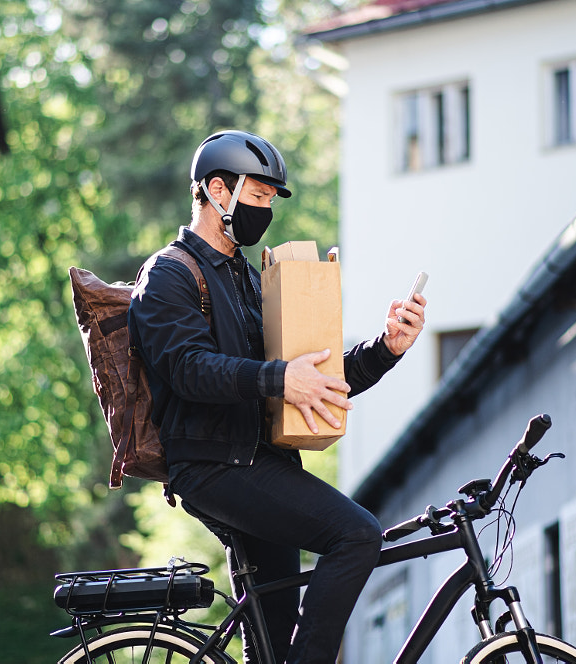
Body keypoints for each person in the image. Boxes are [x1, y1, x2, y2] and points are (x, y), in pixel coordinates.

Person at [127, 130, 427, 664]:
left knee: (273, 643)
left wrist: (386, 348)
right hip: (213, 465)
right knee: (357, 534)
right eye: (258, 195)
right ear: (217, 190)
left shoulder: (247, 277)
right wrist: (279, 378)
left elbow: (311, 378)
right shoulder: (169, 273)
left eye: (270, 200)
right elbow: (188, 369)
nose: (265, 211)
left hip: (261, 463)